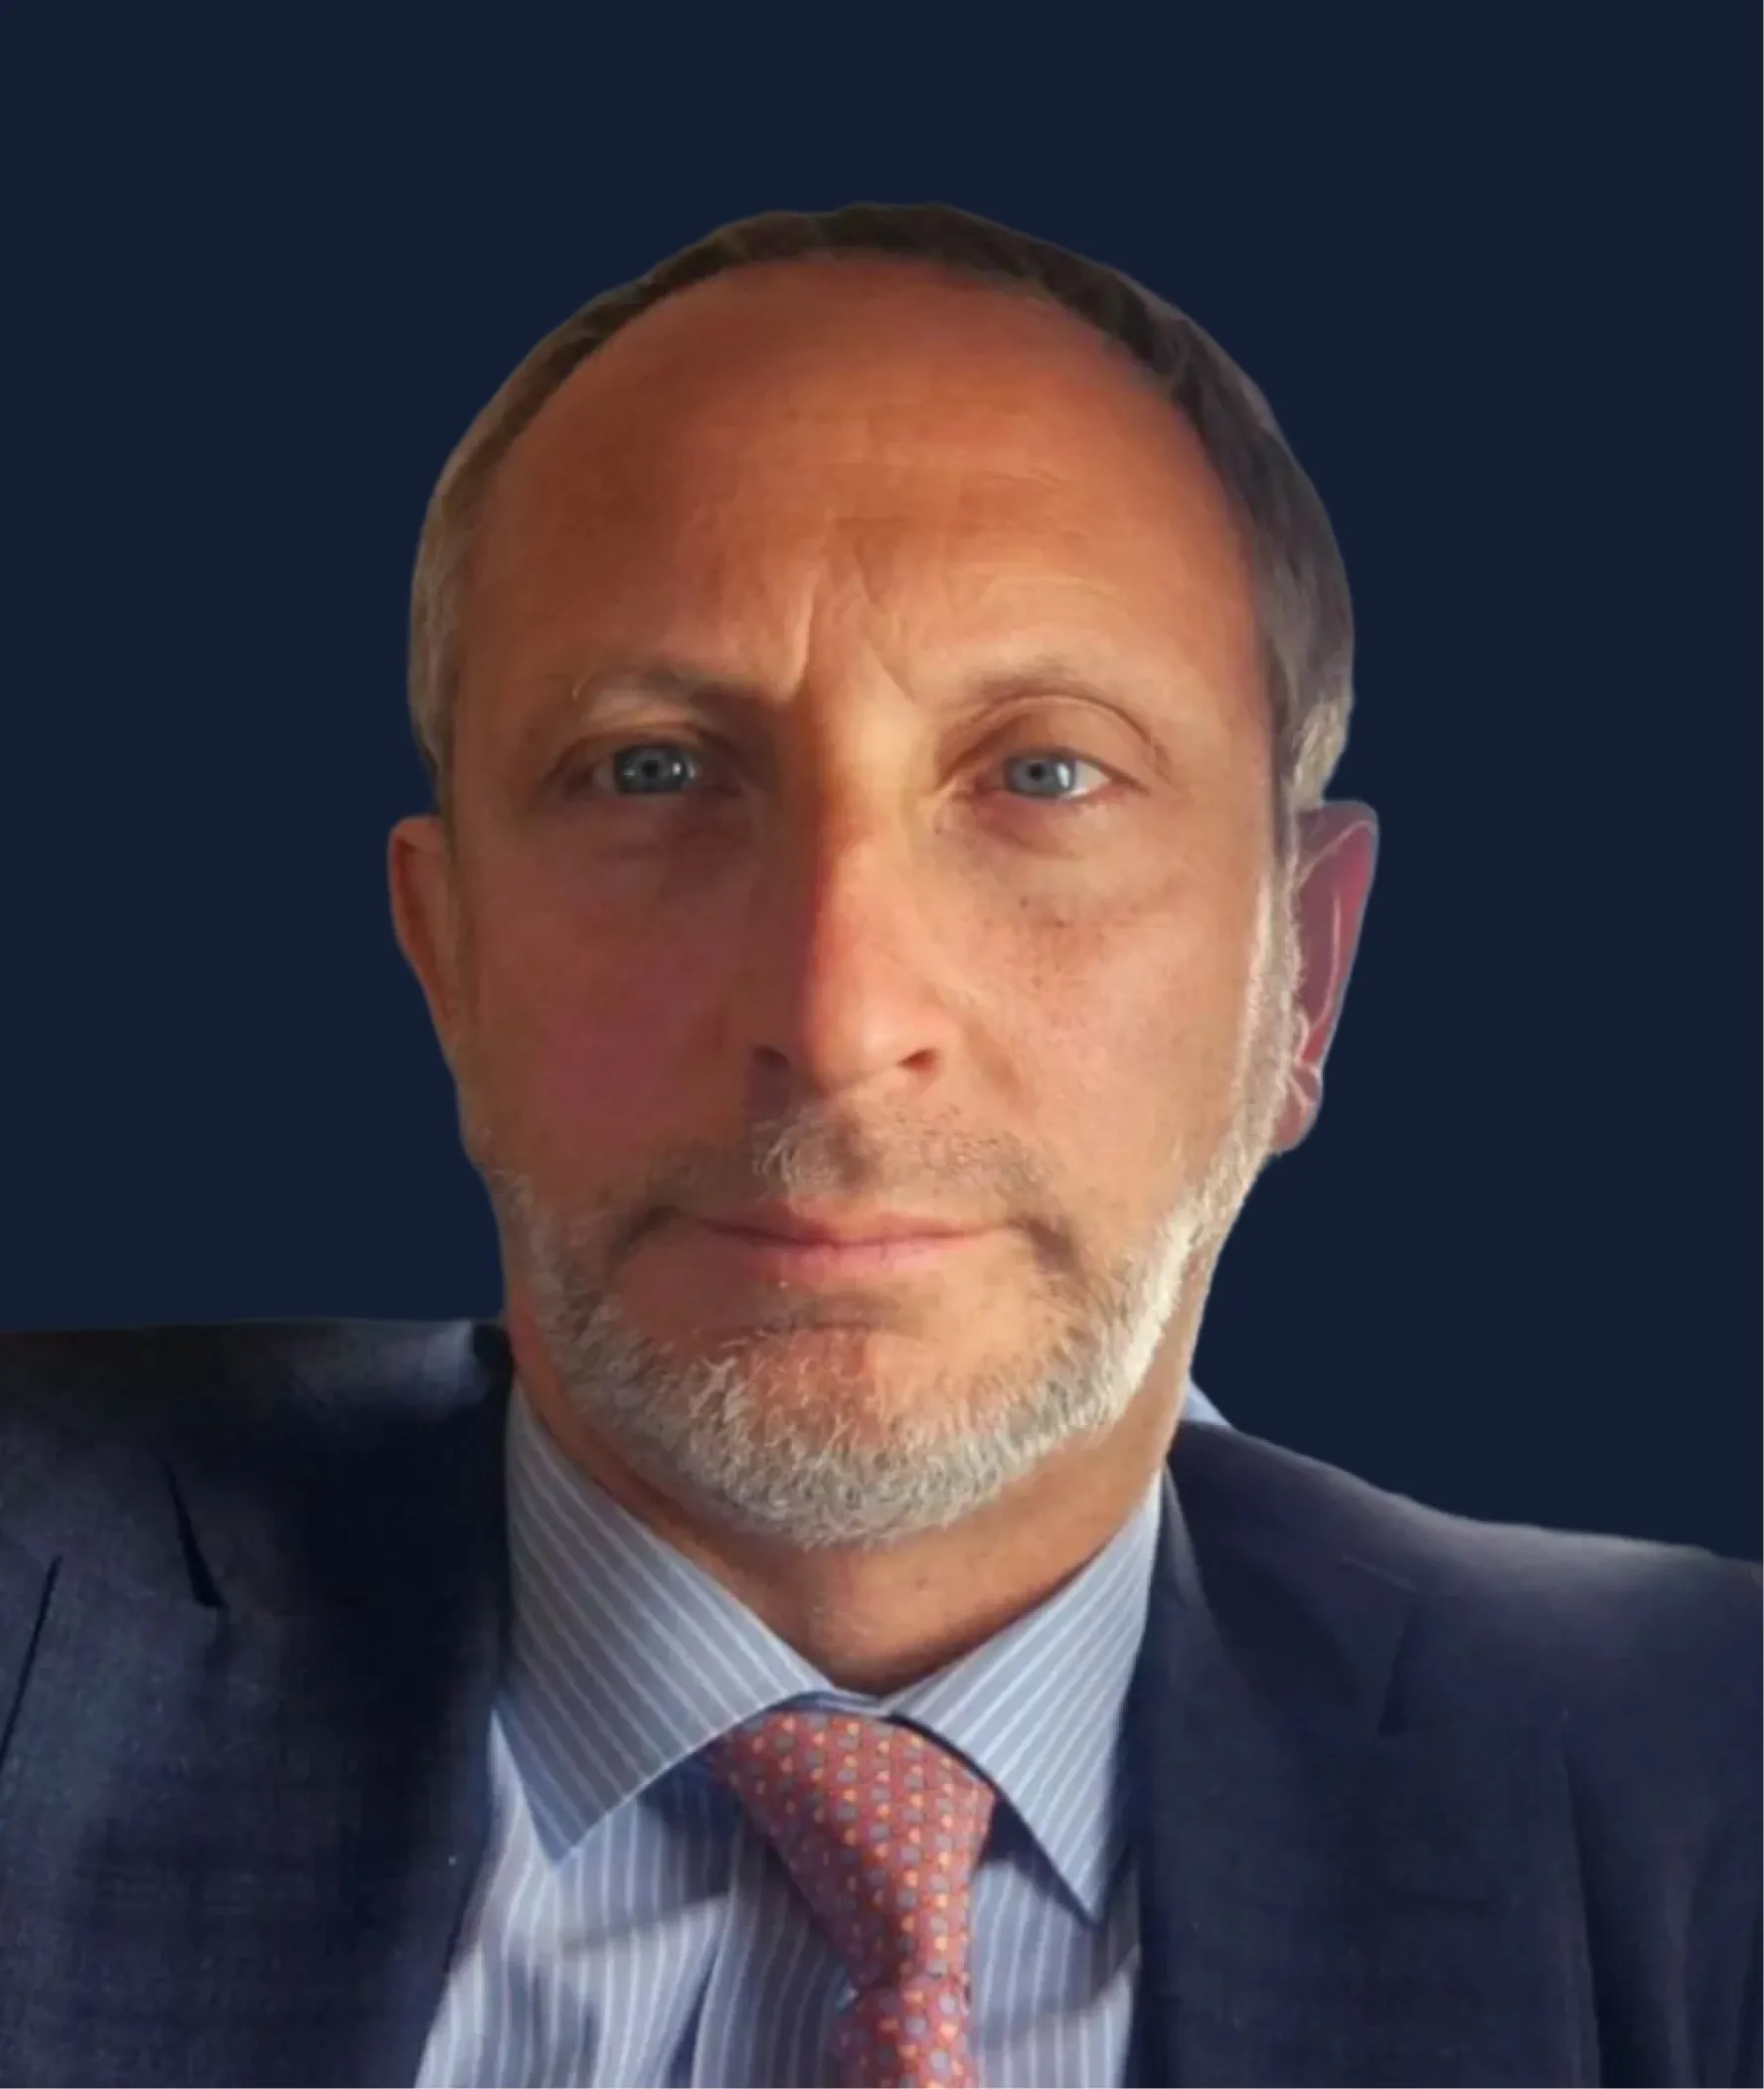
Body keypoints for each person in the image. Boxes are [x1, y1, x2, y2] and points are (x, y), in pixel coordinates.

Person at [0, 201, 1754, 2089]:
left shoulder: (1696, 1787)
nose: (836, 1019)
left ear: (1298, 983)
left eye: (1043, 774)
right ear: (450, 960)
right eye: (652, 769)